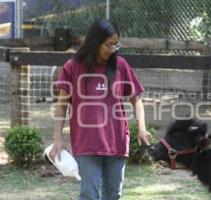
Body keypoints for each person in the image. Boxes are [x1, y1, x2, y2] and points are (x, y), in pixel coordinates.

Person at [49, 19, 152, 200]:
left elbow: (136, 99)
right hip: (86, 142)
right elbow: (61, 106)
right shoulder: (72, 67)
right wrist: (57, 138)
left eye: (115, 45)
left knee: (113, 194)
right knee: (89, 194)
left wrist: (142, 128)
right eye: (108, 44)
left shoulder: (121, 65)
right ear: (95, 42)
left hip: (116, 141)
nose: (112, 49)